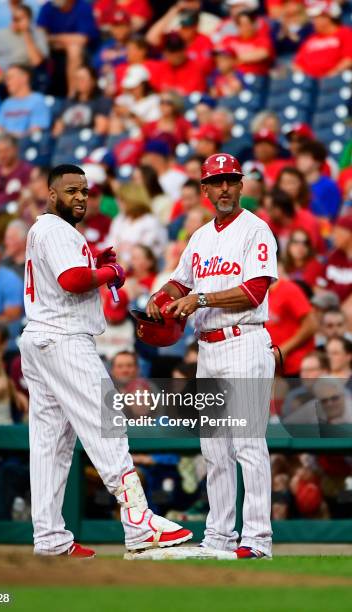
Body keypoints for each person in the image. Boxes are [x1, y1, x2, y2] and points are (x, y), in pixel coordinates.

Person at [19, 164, 192, 557]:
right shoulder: (55, 229)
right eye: (70, 190)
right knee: (107, 424)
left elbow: (69, 275)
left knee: (51, 442)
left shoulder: (49, 231)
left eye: (84, 190)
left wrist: (95, 265)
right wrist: (108, 271)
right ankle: (138, 519)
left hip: (41, 337)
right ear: (51, 194)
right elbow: (71, 281)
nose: (80, 196)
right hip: (64, 339)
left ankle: (49, 538)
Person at [146, 153, 278, 559]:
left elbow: (254, 290)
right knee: (214, 448)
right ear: (204, 190)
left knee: (248, 443)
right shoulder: (201, 236)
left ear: (241, 186)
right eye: (216, 181)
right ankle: (219, 536)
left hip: (245, 340)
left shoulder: (256, 230)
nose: (224, 188)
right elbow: (178, 281)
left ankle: (256, 539)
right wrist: (160, 296)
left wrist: (197, 297)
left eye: (231, 180)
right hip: (208, 345)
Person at [0, 64, 51, 137]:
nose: (6, 83)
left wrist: (14, 137)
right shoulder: (7, 103)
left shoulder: (37, 100)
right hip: (5, 143)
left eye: (9, 78)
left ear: (25, 78)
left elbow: (37, 129)